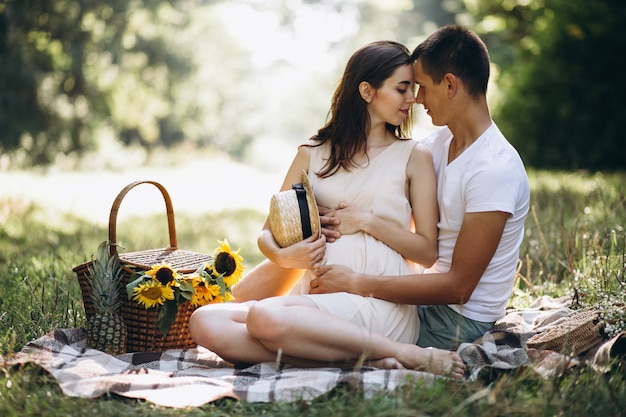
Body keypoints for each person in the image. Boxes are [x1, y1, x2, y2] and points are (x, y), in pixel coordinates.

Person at [189, 40, 465, 378]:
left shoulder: (413, 156)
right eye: (402, 89)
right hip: (313, 299)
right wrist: (287, 258)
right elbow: (266, 234)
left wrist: (366, 221)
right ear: (367, 91)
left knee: (264, 318)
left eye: (413, 89)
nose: (413, 99)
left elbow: (426, 252)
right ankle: (360, 360)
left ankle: (401, 352)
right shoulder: (312, 153)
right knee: (206, 322)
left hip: (379, 303)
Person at [310, 25, 531, 350]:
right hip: (419, 300)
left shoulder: (494, 169)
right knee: (301, 316)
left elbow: (458, 288)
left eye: (422, 87)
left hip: (456, 321)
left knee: (305, 330)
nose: (417, 99)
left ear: (450, 84)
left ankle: (389, 355)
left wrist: (357, 283)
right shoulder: (437, 145)